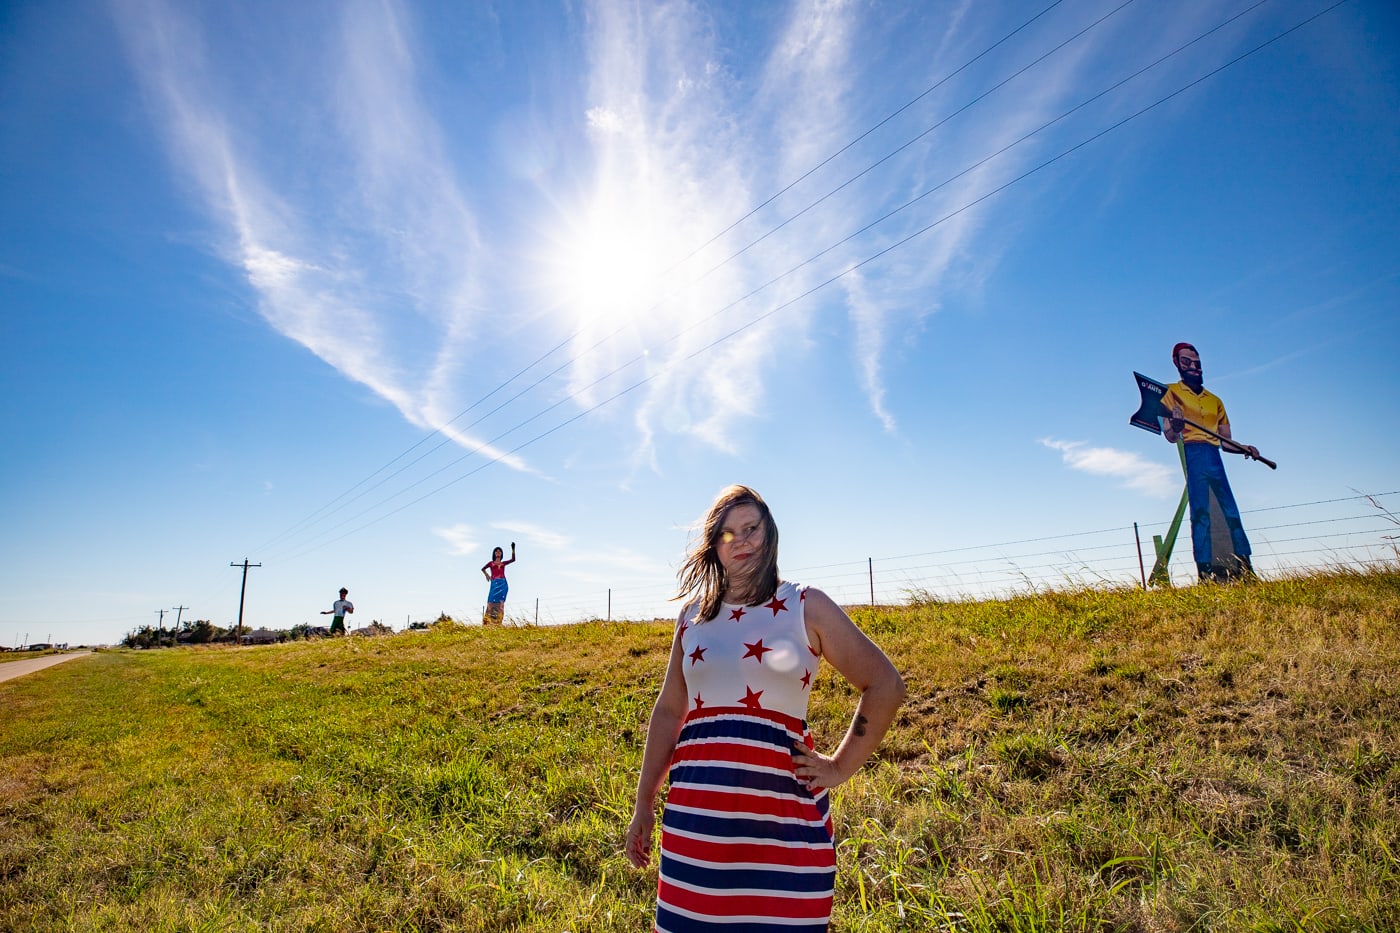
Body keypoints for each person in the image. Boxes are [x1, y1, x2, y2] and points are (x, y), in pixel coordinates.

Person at [625, 485, 906, 931]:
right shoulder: (692, 618)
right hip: (696, 832)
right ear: (714, 546)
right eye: (728, 534)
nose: (742, 542)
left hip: (785, 833)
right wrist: (644, 803)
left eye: (751, 528)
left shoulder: (804, 605)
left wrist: (837, 767)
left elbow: (886, 685)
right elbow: (668, 710)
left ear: (769, 531)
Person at [1161, 342, 1258, 582]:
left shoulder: (1215, 400)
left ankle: (1244, 568)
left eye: (1197, 363)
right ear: (1177, 364)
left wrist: (1245, 448)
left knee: (1230, 511)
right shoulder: (1168, 393)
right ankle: (1206, 571)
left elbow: (1226, 442)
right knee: (1201, 513)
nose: (1193, 367)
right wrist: (1175, 424)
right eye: (1186, 362)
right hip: (1193, 454)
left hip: (1214, 457)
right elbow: (1171, 436)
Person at [480, 543, 516, 625]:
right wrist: (487, 575)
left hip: (502, 584)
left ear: (501, 554)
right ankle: (485, 624)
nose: (498, 552)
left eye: (499, 551)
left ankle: (498, 623)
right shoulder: (491, 563)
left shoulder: (503, 563)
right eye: (496, 551)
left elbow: (513, 559)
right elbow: (482, 569)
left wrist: (513, 549)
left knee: (501, 605)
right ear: (494, 553)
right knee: (490, 603)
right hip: (494, 584)